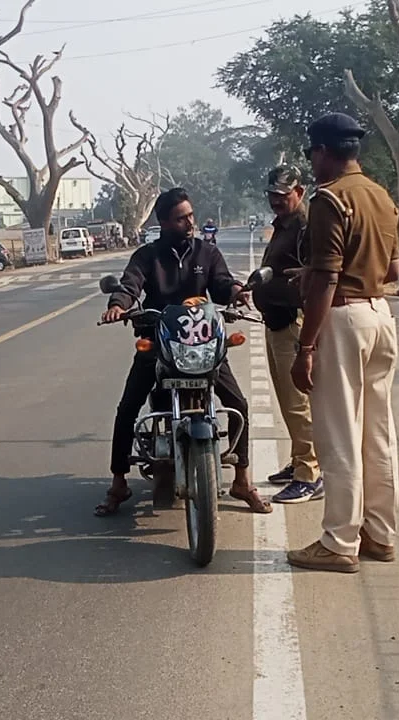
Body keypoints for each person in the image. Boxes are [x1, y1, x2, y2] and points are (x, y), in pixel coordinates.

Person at [96, 187, 272, 516]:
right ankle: (118, 482)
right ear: (163, 222)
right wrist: (118, 305)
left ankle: (243, 479)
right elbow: (131, 283)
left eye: (190, 216)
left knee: (238, 403)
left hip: (201, 341)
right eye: (181, 218)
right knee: (128, 406)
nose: (189, 222)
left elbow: (221, 282)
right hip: (159, 340)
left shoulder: (206, 253)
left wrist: (235, 291)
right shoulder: (147, 256)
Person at [286, 113, 399, 573]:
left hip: (344, 318)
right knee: (378, 434)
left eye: (313, 154)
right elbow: (393, 271)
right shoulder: (381, 197)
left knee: (338, 436)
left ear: (322, 152)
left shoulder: (330, 200)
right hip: (380, 315)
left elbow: (329, 278)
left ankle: (338, 543)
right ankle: (380, 534)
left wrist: (306, 346)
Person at [253, 166, 322, 504]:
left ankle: (311, 473)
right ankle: (299, 462)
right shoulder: (283, 225)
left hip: (293, 321)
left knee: (299, 404)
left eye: (283, 195)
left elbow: (315, 279)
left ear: (300, 192)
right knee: (286, 399)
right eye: (272, 195)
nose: (276, 201)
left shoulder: (305, 228)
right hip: (275, 320)